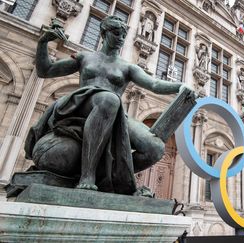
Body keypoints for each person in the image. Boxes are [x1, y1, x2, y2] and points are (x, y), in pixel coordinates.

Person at [25, 16, 191, 195]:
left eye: (123, 35)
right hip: (82, 104)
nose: (121, 38)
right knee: (109, 99)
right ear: (104, 33)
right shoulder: (85, 58)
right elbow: (45, 70)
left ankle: (107, 176)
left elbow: (154, 85)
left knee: (155, 148)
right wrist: (43, 42)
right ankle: (86, 176)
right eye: (117, 33)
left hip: (114, 111)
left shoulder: (127, 67)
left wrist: (180, 86)